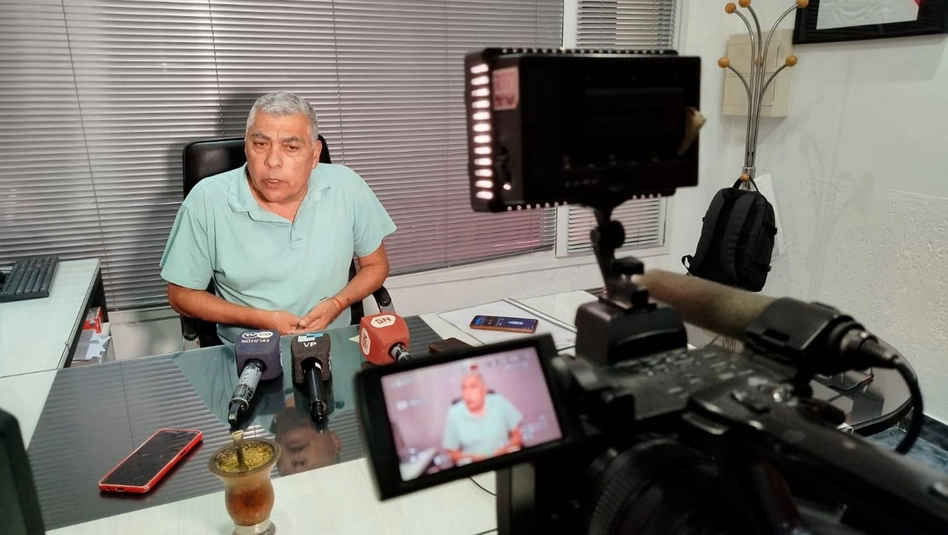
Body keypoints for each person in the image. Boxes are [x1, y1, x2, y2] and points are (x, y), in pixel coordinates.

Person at [160, 91, 396, 344]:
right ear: (246, 146)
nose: (272, 161)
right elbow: (180, 294)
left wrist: (337, 304)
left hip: (334, 340)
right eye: (260, 144)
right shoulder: (206, 200)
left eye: (290, 147)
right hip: (248, 347)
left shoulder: (347, 185)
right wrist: (260, 319)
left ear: (314, 154)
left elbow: (375, 265)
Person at [442, 369, 523, 464]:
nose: (467, 393)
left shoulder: (498, 401)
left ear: (484, 390)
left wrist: (504, 451)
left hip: (503, 460)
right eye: (463, 388)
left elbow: (517, 436)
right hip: (474, 466)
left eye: (473, 387)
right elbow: (452, 454)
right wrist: (473, 458)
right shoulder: (454, 413)